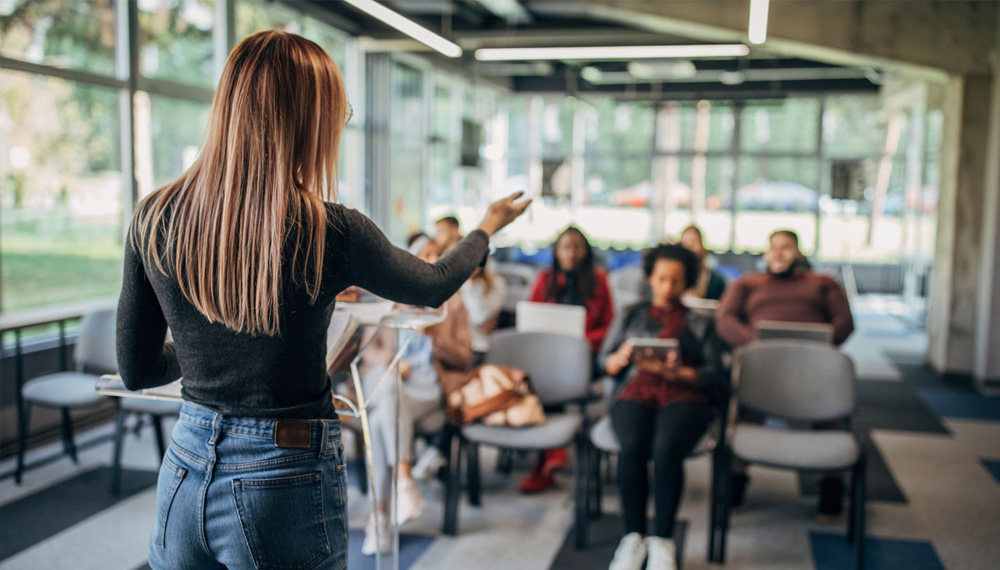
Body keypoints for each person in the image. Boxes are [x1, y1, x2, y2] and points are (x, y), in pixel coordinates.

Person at [116, 31, 530, 570]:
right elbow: (433, 284)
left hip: (184, 466)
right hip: (281, 472)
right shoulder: (329, 229)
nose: (340, 124)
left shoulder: (154, 216)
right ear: (307, 119)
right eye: (339, 111)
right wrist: (485, 228)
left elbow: (137, 369)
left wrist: (202, 358)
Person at [601, 244, 727, 570]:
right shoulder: (631, 313)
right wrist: (618, 360)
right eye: (661, 279)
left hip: (684, 394)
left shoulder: (700, 322)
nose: (667, 287)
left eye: (675, 280)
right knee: (631, 445)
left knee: (666, 447)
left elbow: (715, 374)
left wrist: (679, 372)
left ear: (686, 282)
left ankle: (663, 540)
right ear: (650, 279)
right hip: (636, 389)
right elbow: (604, 360)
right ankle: (633, 536)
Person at [715, 229, 855, 518]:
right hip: (762, 366)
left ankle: (833, 483)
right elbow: (724, 319)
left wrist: (821, 347)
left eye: (786, 247)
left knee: (830, 414)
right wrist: (755, 345)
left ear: (800, 253)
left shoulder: (822, 283)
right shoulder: (748, 283)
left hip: (813, 367)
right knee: (746, 411)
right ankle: (737, 479)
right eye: (773, 248)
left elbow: (845, 322)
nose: (778, 253)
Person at [358, 234, 474, 555]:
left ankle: (380, 515)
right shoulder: (388, 300)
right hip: (388, 385)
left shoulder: (452, 304)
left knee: (384, 415)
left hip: (426, 392)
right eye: (422, 254)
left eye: (435, 256)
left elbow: (465, 358)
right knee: (386, 397)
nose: (427, 261)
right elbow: (370, 353)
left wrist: (436, 337)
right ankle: (403, 483)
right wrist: (395, 364)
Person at [520, 226, 615, 493]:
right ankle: (549, 454)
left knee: (554, 377)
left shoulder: (599, 280)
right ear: (556, 251)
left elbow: (609, 327)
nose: (571, 253)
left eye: (576, 247)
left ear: (585, 251)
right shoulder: (545, 280)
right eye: (565, 247)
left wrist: (579, 339)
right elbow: (531, 320)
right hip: (546, 357)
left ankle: (549, 456)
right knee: (537, 376)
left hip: (586, 356)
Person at [460, 260, 507, 365]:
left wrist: (468, 285)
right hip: (456, 344)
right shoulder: (452, 284)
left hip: (479, 344)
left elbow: (480, 317)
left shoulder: (496, 284)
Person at [678, 225, 727, 300]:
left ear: (702, 246)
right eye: (685, 243)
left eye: (693, 242)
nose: (689, 247)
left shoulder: (716, 282)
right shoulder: (673, 278)